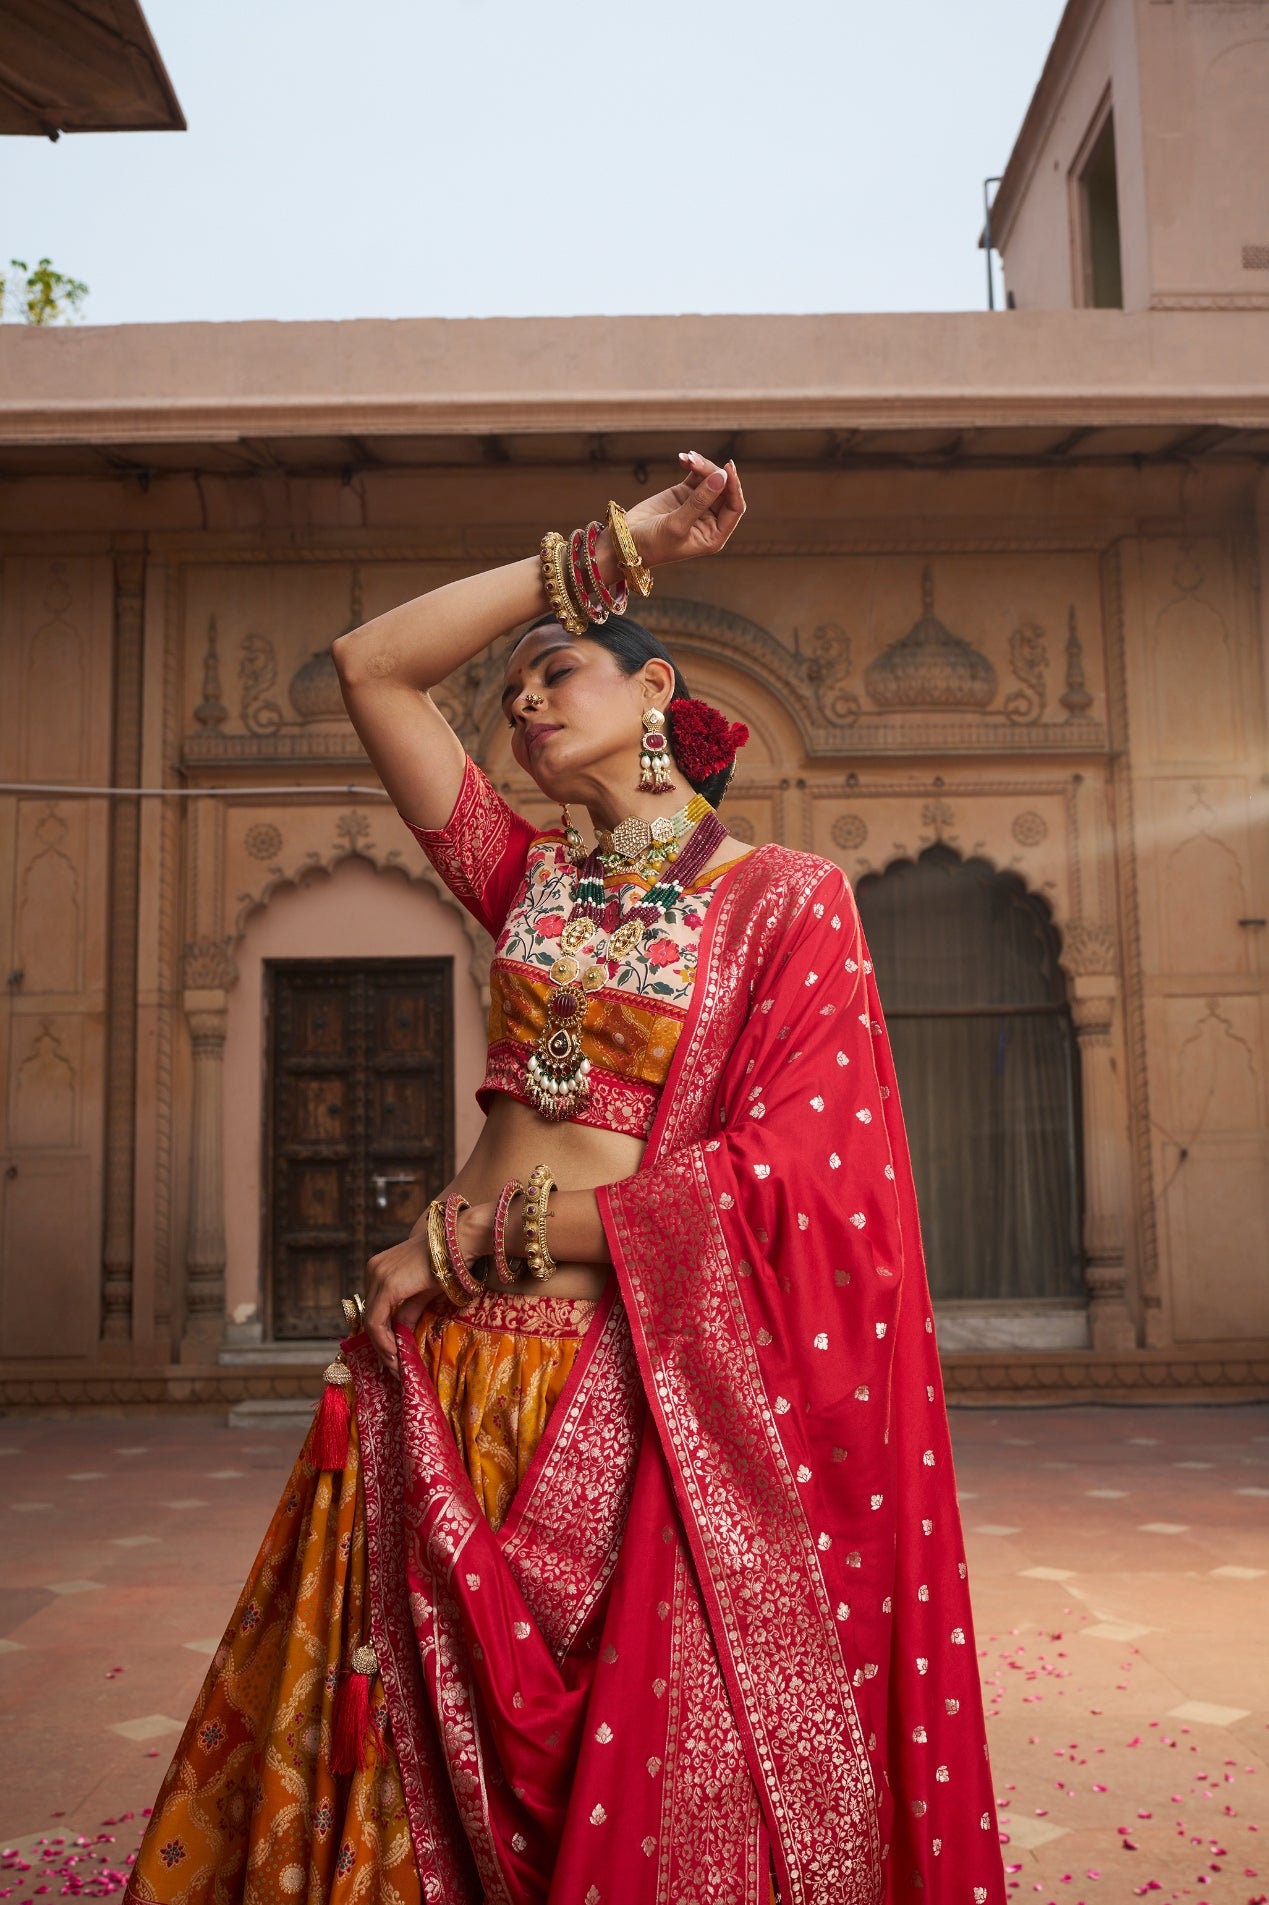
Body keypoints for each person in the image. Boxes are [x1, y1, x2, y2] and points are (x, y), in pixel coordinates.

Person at [125, 453, 1006, 1905]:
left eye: (561, 671)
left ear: (661, 697)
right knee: (399, 1759)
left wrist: (494, 1233)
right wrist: (602, 558)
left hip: (619, 1381)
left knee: (608, 1768)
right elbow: (372, 668)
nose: (525, 701)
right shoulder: (523, 878)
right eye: (516, 689)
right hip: (447, 1358)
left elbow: (808, 1175)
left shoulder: (783, 900)